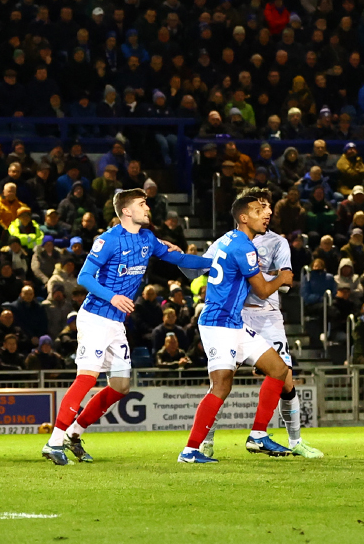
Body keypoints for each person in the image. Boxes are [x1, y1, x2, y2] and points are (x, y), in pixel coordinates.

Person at [43, 187, 219, 465]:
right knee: (87, 378)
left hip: (115, 323)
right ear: (126, 211)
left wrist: (217, 262)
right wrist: (113, 296)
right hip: (96, 317)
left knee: (121, 385)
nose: (148, 208)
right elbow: (84, 277)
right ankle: (54, 442)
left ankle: (74, 434)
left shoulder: (148, 238)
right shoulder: (108, 240)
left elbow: (181, 259)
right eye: (142, 203)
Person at [178, 188, 301, 464]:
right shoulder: (244, 246)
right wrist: (282, 278)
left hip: (234, 324)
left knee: (279, 369)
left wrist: (179, 257)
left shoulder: (226, 240)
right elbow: (262, 289)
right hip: (219, 323)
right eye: (259, 211)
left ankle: (258, 434)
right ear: (244, 217)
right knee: (221, 387)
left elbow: (201, 266)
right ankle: (191, 450)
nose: (266, 214)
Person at [241, 192, 322, 458]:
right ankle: (203, 442)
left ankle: (295, 440)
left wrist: (261, 277)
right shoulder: (231, 241)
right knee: (221, 379)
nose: (266, 212)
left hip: (268, 316)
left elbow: (286, 281)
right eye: (260, 207)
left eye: (267, 207)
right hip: (236, 315)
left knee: (286, 379)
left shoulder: (278, 242)